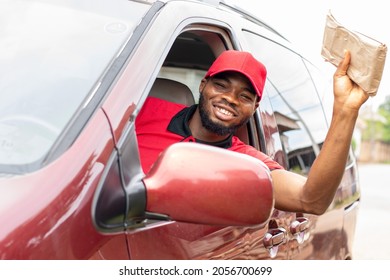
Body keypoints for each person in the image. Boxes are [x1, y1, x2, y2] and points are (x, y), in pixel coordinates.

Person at [135, 49, 368, 216]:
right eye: (221, 85)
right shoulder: (140, 111)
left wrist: (345, 111)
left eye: (245, 96)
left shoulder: (247, 162)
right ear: (203, 84)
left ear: (255, 107)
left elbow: (311, 200)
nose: (229, 98)